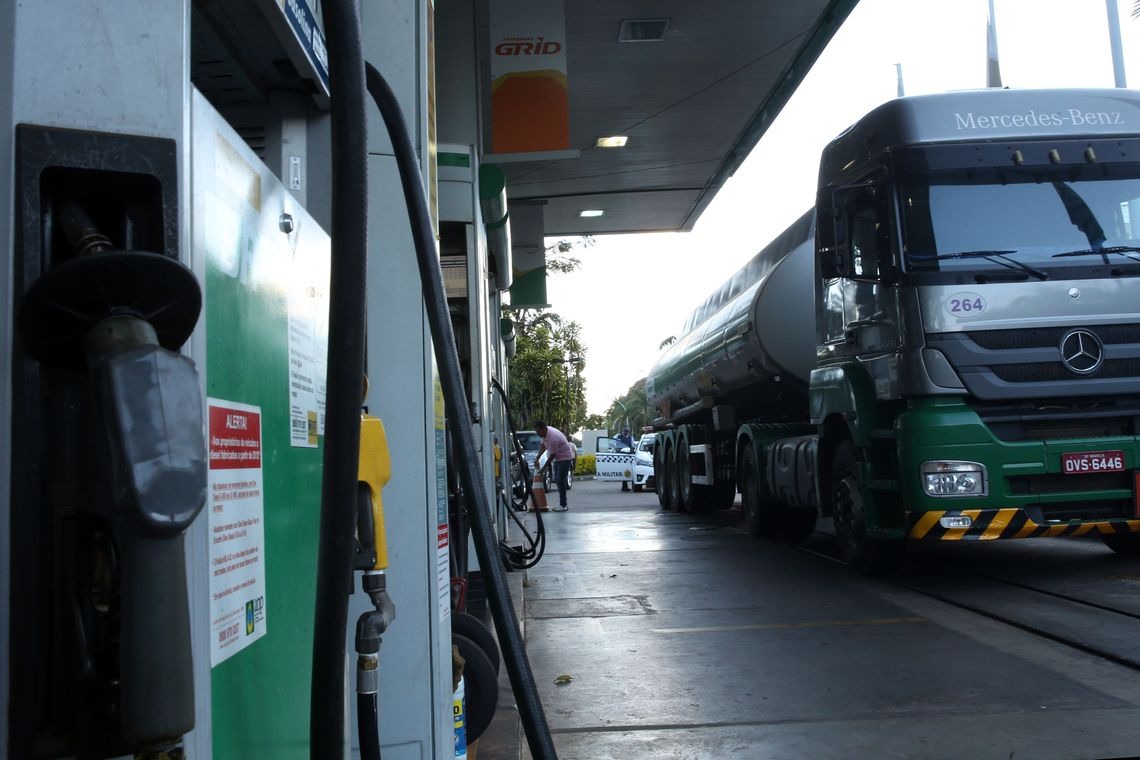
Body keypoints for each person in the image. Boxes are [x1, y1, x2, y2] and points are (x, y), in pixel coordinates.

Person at [534, 421, 574, 511]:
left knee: (560, 481)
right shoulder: (545, 435)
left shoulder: (553, 437)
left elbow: (552, 456)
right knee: (558, 480)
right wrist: (537, 458)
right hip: (558, 459)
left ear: (544, 429)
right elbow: (543, 446)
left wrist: (543, 469)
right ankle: (562, 504)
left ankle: (563, 505)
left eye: (538, 431)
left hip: (564, 458)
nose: (537, 433)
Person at [615, 427, 635, 491]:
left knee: (630, 471)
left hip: (629, 456)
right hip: (621, 456)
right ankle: (624, 486)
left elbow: (633, 446)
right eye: (625, 431)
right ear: (623, 431)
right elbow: (615, 445)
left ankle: (630, 486)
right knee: (623, 470)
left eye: (627, 431)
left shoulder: (631, 438)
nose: (626, 432)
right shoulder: (619, 437)